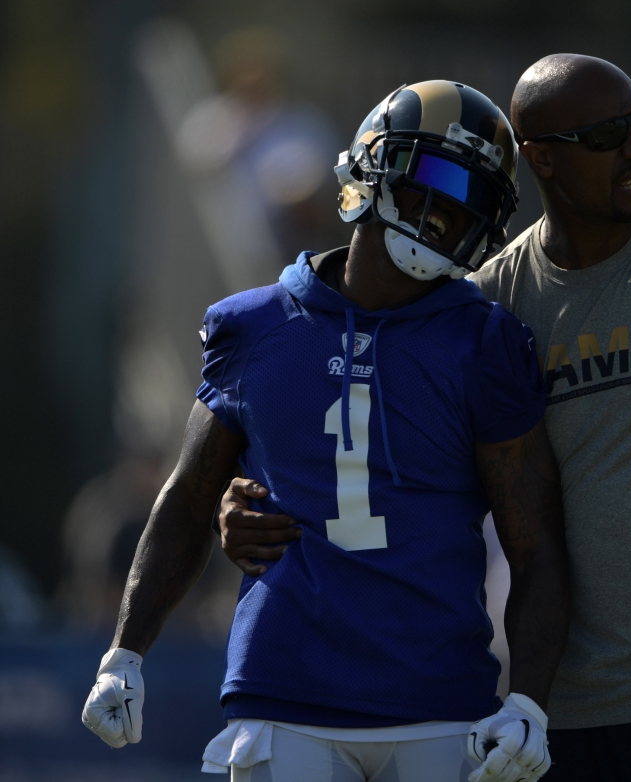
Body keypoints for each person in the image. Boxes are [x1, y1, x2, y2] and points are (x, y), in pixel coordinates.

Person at [220, 55, 631, 781]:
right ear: (542, 160)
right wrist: (250, 496)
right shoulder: (488, 307)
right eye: (608, 136)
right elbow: (374, 450)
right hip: (574, 711)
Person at [81, 80, 570, 782]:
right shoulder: (252, 326)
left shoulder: (484, 342)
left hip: (438, 695)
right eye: (436, 178)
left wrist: (528, 699)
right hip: (287, 691)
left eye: (476, 197)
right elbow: (189, 499)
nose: (450, 209)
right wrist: (124, 652)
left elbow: (536, 541)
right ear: (373, 167)